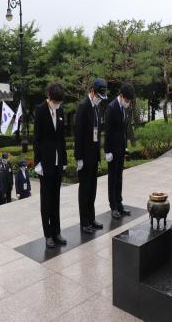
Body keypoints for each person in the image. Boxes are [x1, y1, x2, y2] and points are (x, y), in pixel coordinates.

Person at [34, 82, 68, 248]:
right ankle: (48, 234)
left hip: (57, 162)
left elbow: (61, 138)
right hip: (45, 163)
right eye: (56, 101)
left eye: (59, 102)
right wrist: (38, 162)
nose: (57, 104)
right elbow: (37, 139)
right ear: (49, 97)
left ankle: (57, 231)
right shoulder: (40, 110)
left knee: (56, 198)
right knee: (46, 200)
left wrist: (65, 160)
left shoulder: (60, 110)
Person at [75, 78, 107, 234]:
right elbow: (78, 135)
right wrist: (78, 158)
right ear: (92, 92)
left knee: (92, 189)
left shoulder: (96, 108)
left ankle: (91, 218)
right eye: (98, 97)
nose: (100, 100)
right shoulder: (84, 107)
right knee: (85, 190)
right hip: (84, 158)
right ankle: (84, 222)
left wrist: (98, 157)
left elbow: (97, 134)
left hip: (93, 157)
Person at [104, 82, 136, 219]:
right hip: (112, 149)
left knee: (119, 177)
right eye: (127, 100)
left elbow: (123, 130)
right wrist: (107, 151)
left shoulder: (124, 108)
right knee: (112, 178)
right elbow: (108, 131)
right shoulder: (112, 107)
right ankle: (113, 206)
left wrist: (126, 145)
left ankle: (119, 202)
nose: (128, 103)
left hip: (121, 147)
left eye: (129, 101)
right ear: (121, 96)